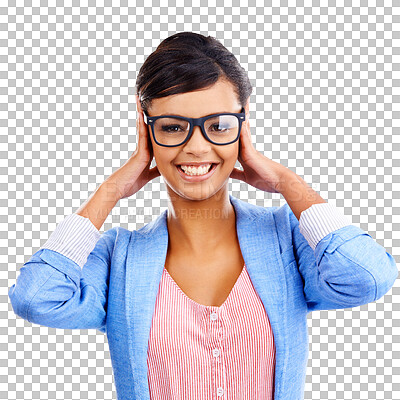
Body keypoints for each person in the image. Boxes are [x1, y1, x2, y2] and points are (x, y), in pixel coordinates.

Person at [8, 32, 398, 400]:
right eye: (173, 127)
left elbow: (367, 278)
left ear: (243, 124)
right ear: (147, 132)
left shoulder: (288, 241)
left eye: (219, 125)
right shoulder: (118, 258)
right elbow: (36, 298)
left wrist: (287, 182)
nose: (197, 147)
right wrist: (110, 191)